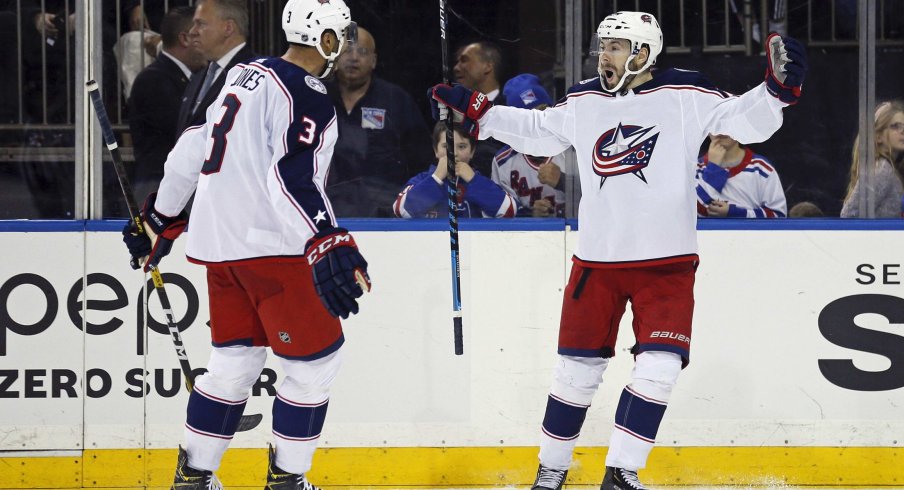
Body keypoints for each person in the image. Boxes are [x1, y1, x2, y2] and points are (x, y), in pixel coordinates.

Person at [431, 11, 806, 490]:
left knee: (661, 365)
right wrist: (480, 113)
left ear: (643, 53)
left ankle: (621, 471)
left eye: (614, 46)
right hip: (597, 264)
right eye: (601, 46)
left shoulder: (686, 94)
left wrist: (775, 92)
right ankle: (551, 472)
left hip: (667, 264)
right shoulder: (585, 97)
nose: (602, 54)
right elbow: (539, 129)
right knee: (575, 373)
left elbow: (742, 120)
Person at [121, 1, 369, 488]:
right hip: (276, 247)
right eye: (340, 34)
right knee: (314, 365)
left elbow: (189, 150)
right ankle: (288, 479)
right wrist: (325, 237)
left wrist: (158, 218)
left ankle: (194, 475)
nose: (345, 44)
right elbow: (290, 175)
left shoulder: (243, 75)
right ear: (323, 39)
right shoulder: (308, 91)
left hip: (220, 250)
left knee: (233, 361)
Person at [325, 26, 434, 217]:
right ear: (334, 56)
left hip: (384, 214)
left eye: (363, 52)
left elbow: (421, 159)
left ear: (374, 61)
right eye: (347, 51)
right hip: (325, 211)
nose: (354, 58)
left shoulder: (396, 100)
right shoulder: (317, 96)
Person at [128, 6, 205, 201]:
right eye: (201, 34)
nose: (208, 44)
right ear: (185, 38)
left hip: (174, 188)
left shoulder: (188, 78)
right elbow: (184, 133)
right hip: (157, 189)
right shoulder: (154, 80)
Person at [393, 122, 516, 218]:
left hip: (472, 247)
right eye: (446, 146)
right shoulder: (421, 180)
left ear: (472, 151)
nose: (454, 153)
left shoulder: (480, 182)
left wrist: (473, 180)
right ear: (436, 150)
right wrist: (436, 178)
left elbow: (509, 210)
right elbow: (401, 210)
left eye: (462, 146)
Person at [491, 74, 571, 218]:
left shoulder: (573, 147)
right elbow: (500, 216)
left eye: (543, 112)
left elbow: (602, 193)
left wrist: (563, 181)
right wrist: (530, 215)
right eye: (528, 119)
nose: (538, 123)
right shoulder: (503, 162)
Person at [175, 0, 256, 133]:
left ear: (228, 28)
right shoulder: (198, 76)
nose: (192, 31)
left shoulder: (257, 74)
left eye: (200, 24)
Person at [695, 134, 787, 218]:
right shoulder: (695, 169)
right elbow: (692, 213)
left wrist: (735, 213)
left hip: (751, 236)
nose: (721, 129)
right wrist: (713, 168)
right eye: (715, 124)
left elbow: (778, 216)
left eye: (727, 123)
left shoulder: (761, 169)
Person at [840, 100, 904, 218]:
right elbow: (849, 215)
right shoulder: (882, 169)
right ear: (878, 136)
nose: (902, 131)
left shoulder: (891, 168)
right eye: (895, 126)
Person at [453, 41, 506, 178]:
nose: (456, 68)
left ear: (487, 66)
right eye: (457, 62)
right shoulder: (452, 113)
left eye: (464, 60)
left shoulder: (510, 110)